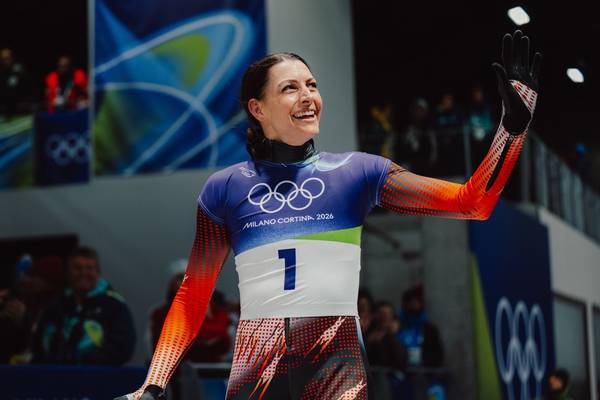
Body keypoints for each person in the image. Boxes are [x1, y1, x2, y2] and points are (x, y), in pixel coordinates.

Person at [116, 30, 541, 399]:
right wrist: (153, 385)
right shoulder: (224, 188)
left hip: (336, 366)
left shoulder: (358, 172)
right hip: (255, 368)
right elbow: (193, 295)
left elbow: (472, 203)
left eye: (312, 85)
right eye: (290, 88)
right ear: (258, 109)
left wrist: (512, 130)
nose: (308, 97)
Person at [32, 246, 135, 365]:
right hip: (54, 374)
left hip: (97, 375)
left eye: (89, 268)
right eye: (77, 268)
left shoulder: (114, 305)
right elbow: (39, 345)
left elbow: (123, 347)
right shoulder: (56, 305)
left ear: (98, 273)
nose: (83, 273)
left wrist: (84, 361)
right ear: (68, 273)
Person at [0, 48, 31, 119]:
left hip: (21, 112)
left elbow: (27, 89)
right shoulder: (1, 73)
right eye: (3, 59)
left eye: (7, 58)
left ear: (12, 58)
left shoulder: (19, 71)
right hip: (5, 112)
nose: (5, 61)